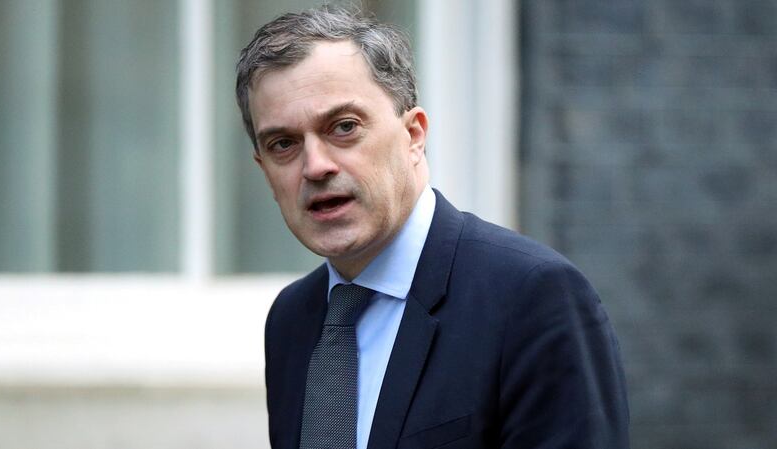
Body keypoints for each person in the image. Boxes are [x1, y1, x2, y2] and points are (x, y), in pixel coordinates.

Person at [235, 6, 629, 449]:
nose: (316, 166)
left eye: (344, 127)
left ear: (414, 135)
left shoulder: (532, 298)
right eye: (283, 144)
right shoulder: (291, 320)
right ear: (263, 169)